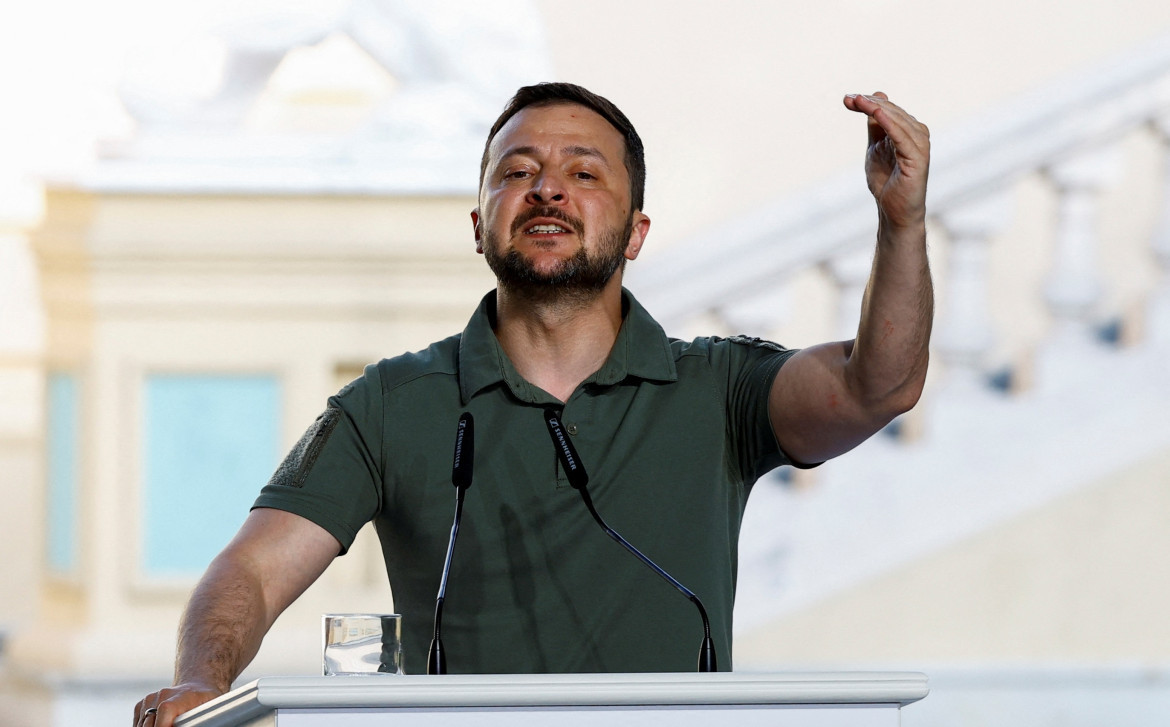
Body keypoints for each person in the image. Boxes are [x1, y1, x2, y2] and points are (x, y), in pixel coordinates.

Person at [134, 81, 931, 726]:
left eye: (584, 173)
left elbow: (880, 385)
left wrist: (902, 222)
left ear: (636, 232)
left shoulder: (719, 389)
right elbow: (253, 569)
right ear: (479, 225)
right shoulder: (389, 402)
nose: (547, 187)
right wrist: (203, 684)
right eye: (517, 171)